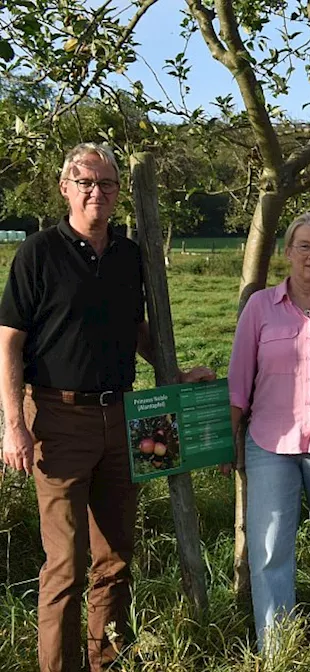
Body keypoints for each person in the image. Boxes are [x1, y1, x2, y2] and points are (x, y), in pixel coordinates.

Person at [0, 143, 213, 672]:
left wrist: (174, 374)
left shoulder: (129, 255)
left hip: (125, 414)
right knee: (64, 566)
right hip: (57, 417)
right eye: (86, 181)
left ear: (119, 191)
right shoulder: (39, 252)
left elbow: (137, 328)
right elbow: (8, 343)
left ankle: (106, 662)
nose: (98, 191)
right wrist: (13, 426)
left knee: (116, 558)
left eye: (108, 183)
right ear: (65, 187)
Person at [227, 213, 310, 652]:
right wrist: (231, 442)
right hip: (270, 443)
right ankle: (277, 644)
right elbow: (238, 383)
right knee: (270, 547)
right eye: (304, 246)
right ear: (286, 252)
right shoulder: (260, 307)